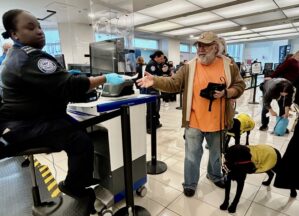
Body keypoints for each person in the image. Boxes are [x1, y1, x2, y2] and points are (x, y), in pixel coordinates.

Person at [0, 9, 125, 199]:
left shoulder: (16, 54)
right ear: (14, 34)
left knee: (79, 129)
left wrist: (71, 78)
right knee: (80, 140)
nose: (39, 31)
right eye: (31, 27)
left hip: (25, 120)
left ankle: (81, 177)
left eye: (40, 27)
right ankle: (73, 186)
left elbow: (53, 83)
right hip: (25, 126)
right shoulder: (30, 57)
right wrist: (105, 78)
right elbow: (70, 87)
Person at [137, 31, 245, 197]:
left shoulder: (229, 65)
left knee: (216, 153)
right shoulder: (189, 66)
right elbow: (174, 84)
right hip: (194, 119)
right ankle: (190, 183)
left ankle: (215, 175)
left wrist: (226, 93)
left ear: (216, 47)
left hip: (218, 120)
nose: (201, 49)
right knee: (192, 155)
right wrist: (155, 81)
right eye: (199, 45)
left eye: (205, 45)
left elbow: (240, 85)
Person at [142, 50, 165, 133]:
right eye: (161, 58)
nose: (162, 60)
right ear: (156, 57)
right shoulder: (152, 64)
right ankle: (149, 127)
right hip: (151, 89)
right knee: (151, 108)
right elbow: (153, 77)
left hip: (155, 88)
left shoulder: (156, 64)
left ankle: (155, 123)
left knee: (156, 108)